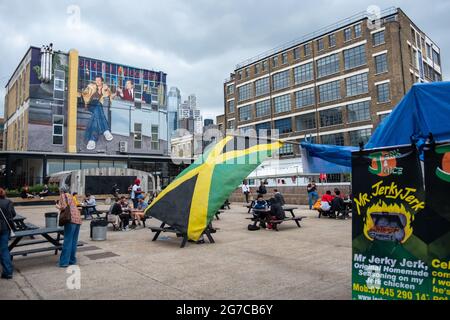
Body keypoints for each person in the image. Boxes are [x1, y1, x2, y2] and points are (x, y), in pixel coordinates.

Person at [81, 76, 114, 150]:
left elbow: (110, 95)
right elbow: (85, 93)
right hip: (90, 105)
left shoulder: (105, 88)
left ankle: (92, 140)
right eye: (96, 80)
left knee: (96, 116)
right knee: (98, 106)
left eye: (99, 80)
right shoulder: (91, 86)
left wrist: (110, 92)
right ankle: (105, 130)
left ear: (102, 81)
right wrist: (85, 91)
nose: (97, 82)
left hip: (98, 106)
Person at [56, 186, 82, 268]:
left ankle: (64, 262)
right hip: (78, 219)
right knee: (74, 241)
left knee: (67, 241)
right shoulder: (71, 196)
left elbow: (63, 206)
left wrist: (58, 207)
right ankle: (72, 260)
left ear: (61, 191)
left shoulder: (63, 195)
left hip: (70, 220)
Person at [0, 188, 17, 279]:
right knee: (4, 249)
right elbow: (13, 214)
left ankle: (6, 271)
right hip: (5, 228)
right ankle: (8, 272)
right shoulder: (8, 202)